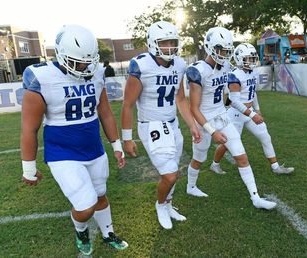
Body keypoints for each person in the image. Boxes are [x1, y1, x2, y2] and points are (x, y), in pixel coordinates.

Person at [20, 25, 128, 256]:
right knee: (85, 205)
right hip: (63, 152)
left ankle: (108, 232)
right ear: (60, 54)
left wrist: (116, 145)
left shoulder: (96, 72)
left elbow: (105, 112)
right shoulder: (42, 77)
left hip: (94, 148)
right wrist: (28, 167)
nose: (85, 67)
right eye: (78, 61)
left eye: (89, 61)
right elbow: (30, 128)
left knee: (100, 194)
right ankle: (81, 230)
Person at [121, 21, 201, 230]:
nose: (169, 48)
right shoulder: (141, 65)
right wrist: (127, 138)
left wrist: (192, 125)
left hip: (172, 124)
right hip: (151, 125)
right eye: (164, 43)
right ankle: (160, 205)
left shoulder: (179, 64)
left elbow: (181, 99)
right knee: (170, 174)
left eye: (172, 42)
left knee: (174, 170)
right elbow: (128, 104)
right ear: (152, 43)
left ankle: (168, 204)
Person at [185, 27, 276, 210]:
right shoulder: (197, 70)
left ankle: (255, 198)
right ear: (210, 47)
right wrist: (212, 132)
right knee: (199, 158)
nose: (224, 54)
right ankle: (191, 186)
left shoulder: (227, 66)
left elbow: (234, 89)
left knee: (241, 156)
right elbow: (193, 108)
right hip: (203, 119)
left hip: (222, 115)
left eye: (227, 51)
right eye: (221, 50)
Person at [210, 43, 294, 175]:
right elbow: (234, 101)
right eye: (248, 58)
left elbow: (252, 92)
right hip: (236, 114)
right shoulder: (234, 76)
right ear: (239, 58)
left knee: (265, 137)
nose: (252, 61)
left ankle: (276, 167)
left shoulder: (253, 72)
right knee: (227, 143)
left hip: (249, 112)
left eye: (253, 58)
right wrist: (252, 114)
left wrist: (257, 109)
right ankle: (215, 164)